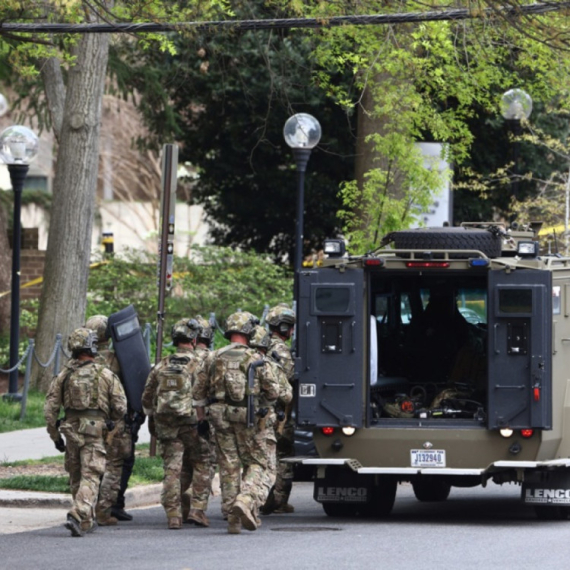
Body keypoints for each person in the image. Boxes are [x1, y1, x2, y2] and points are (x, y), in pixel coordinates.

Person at [193, 311, 280, 534]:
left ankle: (232, 517)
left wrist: (202, 417)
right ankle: (246, 499)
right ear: (249, 331)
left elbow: (199, 393)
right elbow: (273, 392)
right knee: (257, 462)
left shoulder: (212, 357)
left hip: (219, 415)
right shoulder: (257, 358)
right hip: (249, 416)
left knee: (228, 465)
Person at [44, 327, 127, 537]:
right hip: (95, 430)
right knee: (91, 474)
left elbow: (50, 409)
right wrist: (112, 423)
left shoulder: (64, 375)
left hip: (70, 429)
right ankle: (80, 512)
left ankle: (85, 521)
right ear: (92, 347)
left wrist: (55, 437)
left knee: (76, 474)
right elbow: (120, 407)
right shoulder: (105, 374)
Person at [142, 318, 211, 529]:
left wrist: (152, 417)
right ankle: (198, 510)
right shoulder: (200, 364)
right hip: (191, 424)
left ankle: (173, 514)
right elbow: (206, 394)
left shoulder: (162, 364)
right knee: (202, 463)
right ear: (194, 338)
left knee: (172, 469)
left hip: (167, 425)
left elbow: (147, 397)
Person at [85, 315, 132, 526]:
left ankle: (84, 508)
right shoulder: (115, 359)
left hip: (86, 421)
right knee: (114, 464)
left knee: (88, 466)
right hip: (114, 422)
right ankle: (104, 510)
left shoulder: (80, 360)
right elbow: (127, 388)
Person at [248, 324, 292, 523]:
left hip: (244, 416)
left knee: (247, 459)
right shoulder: (276, 356)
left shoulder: (238, 357)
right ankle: (274, 501)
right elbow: (283, 390)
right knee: (278, 458)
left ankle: (238, 502)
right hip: (275, 413)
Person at [180, 315, 217, 524]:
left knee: (185, 463)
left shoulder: (180, 358)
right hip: (202, 418)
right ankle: (197, 505)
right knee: (206, 462)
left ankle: (177, 502)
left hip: (179, 418)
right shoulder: (210, 359)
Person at [260, 304, 296, 515]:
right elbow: (289, 379)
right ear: (284, 328)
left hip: (263, 410)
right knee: (283, 455)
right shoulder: (281, 351)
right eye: (289, 327)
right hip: (280, 412)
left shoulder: (261, 347)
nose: (291, 332)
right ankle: (278, 500)